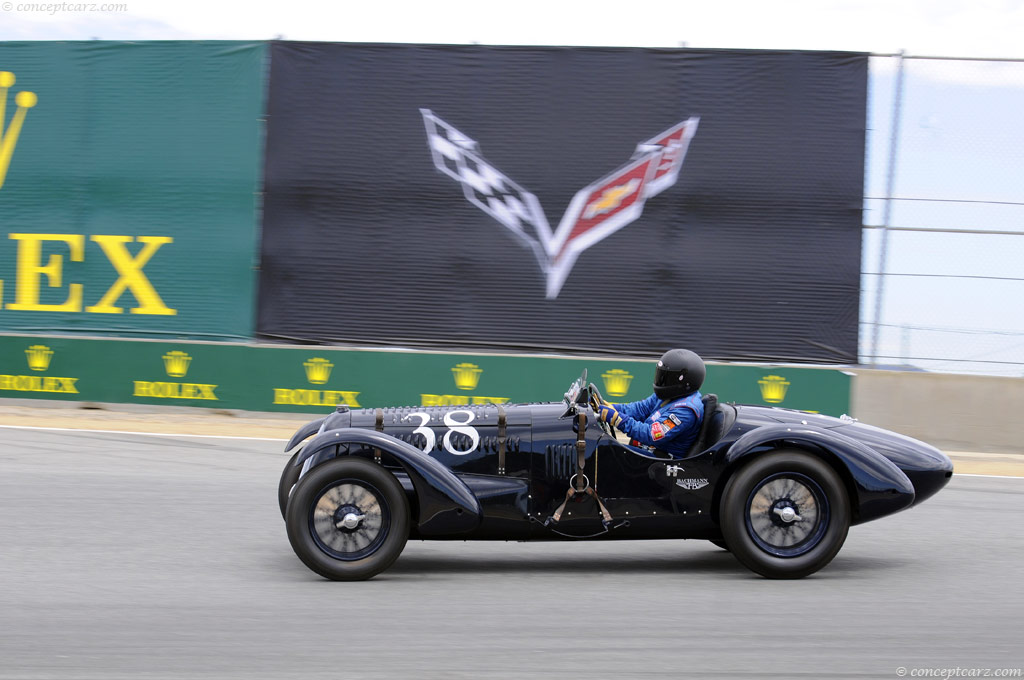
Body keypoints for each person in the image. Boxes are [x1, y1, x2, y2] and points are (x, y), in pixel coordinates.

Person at [595, 349, 705, 457]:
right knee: (597, 446)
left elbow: (652, 434)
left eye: (668, 378)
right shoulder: (668, 395)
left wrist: (618, 419)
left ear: (685, 382)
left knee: (602, 452)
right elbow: (640, 409)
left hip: (661, 461)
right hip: (649, 451)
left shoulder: (686, 410)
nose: (662, 381)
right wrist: (608, 408)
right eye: (662, 376)